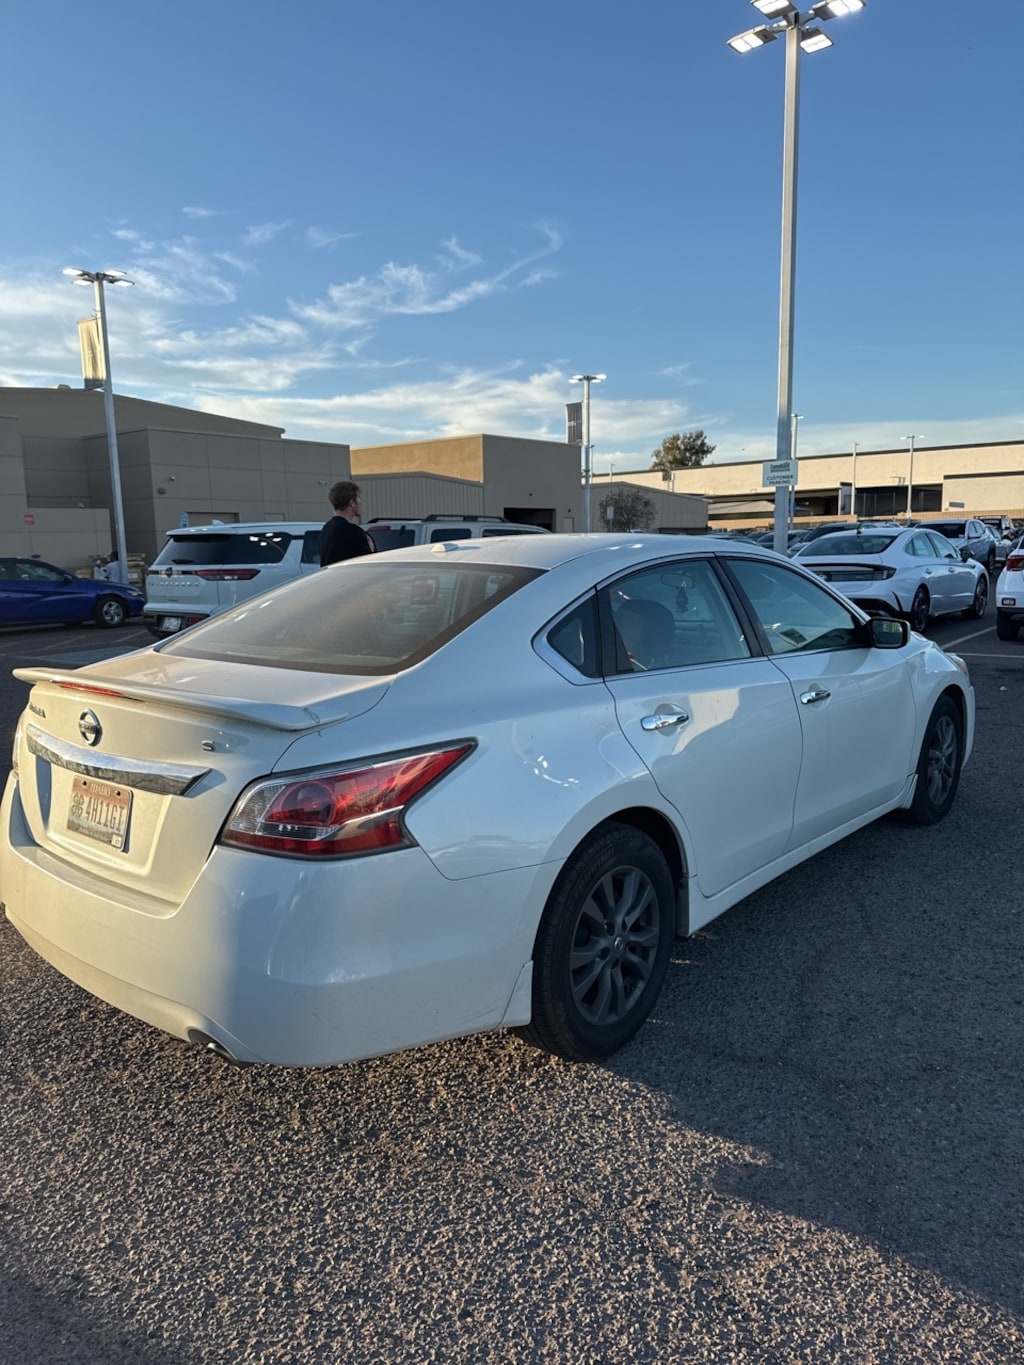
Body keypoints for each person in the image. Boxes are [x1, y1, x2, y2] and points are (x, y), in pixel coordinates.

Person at [318, 481, 374, 567]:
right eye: (358, 497)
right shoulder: (353, 531)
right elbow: (366, 565)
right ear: (352, 502)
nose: (360, 501)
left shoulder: (326, 529)